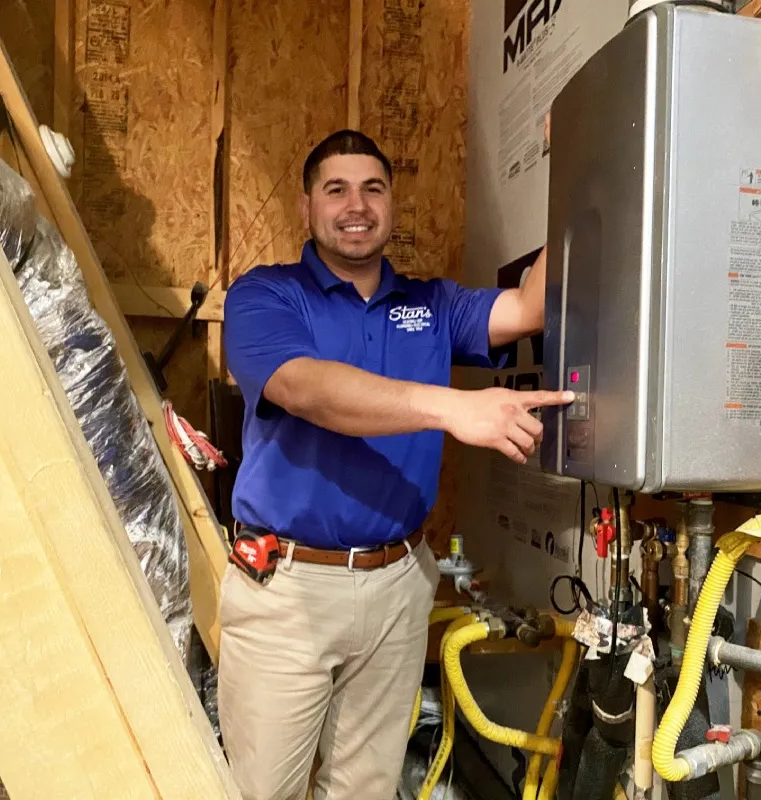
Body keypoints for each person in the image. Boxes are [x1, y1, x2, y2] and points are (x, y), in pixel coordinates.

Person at [219, 125, 571, 800]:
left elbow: (529, 307)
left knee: (367, 789)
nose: (357, 205)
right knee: (263, 791)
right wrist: (450, 407)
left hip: (399, 579)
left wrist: (577, 164)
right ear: (306, 207)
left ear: (392, 203)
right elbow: (305, 389)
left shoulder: (431, 305)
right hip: (289, 588)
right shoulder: (266, 295)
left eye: (373, 188)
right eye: (337, 189)